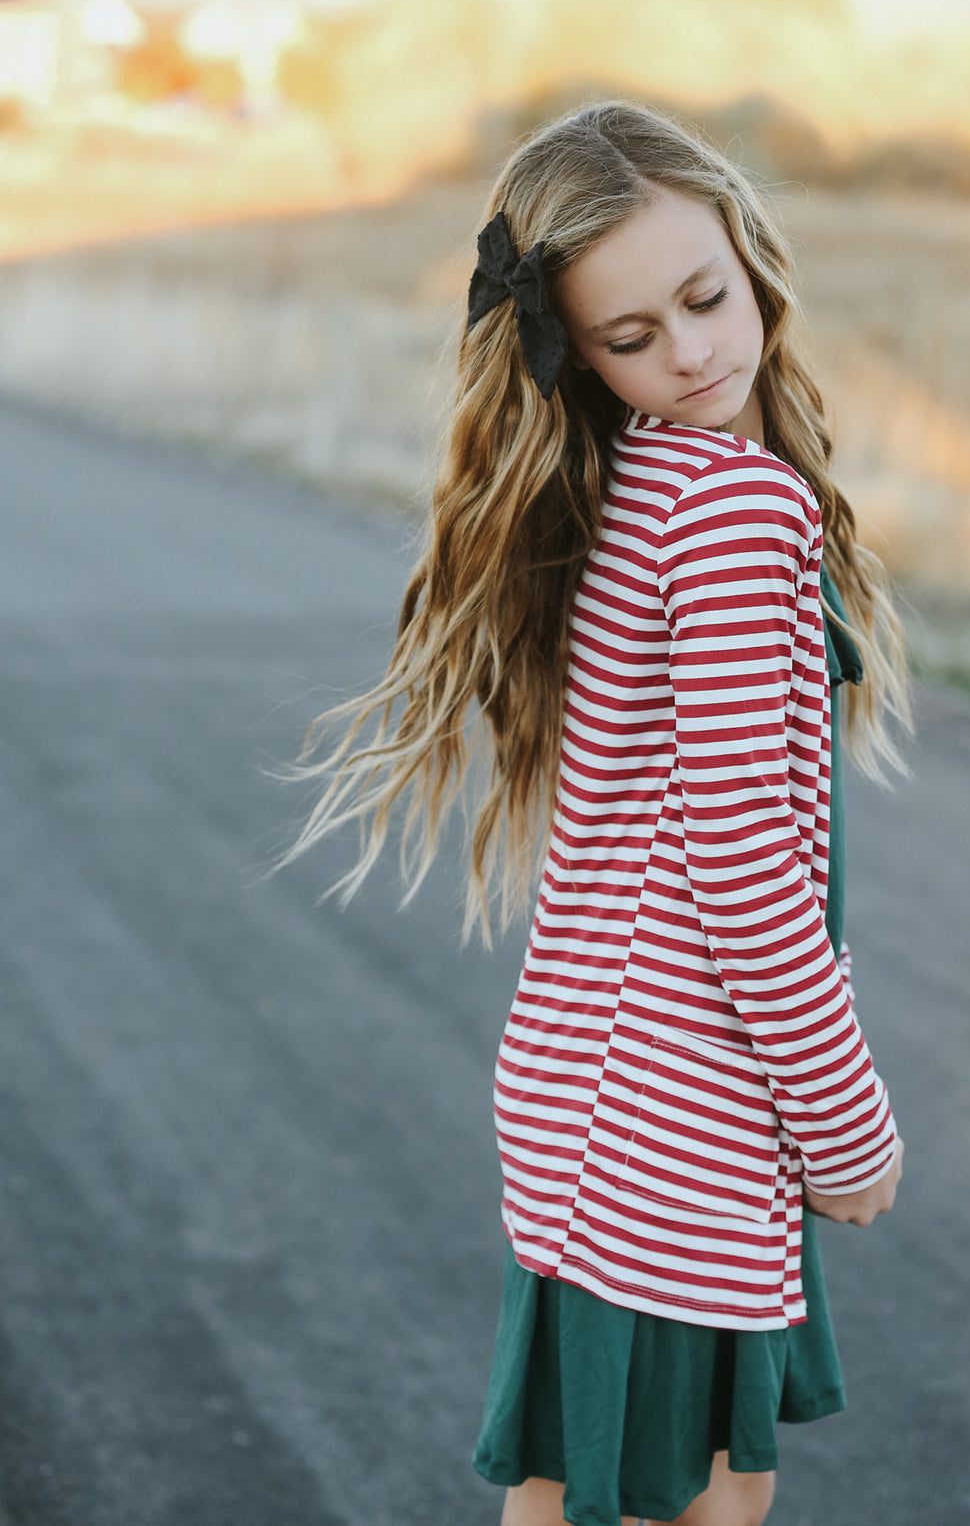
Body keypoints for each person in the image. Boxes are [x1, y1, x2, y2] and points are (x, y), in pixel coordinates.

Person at [285, 101, 910, 1526]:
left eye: (704, 298)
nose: (692, 354)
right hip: (675, 1107)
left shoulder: (628, 481)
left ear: (751, 256)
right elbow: (746, 876)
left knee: (602, 1493)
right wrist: (849, 1127)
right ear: (574, 350)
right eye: (632, 338)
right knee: (706, 1496)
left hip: (590, 1090)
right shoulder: (733, 509)